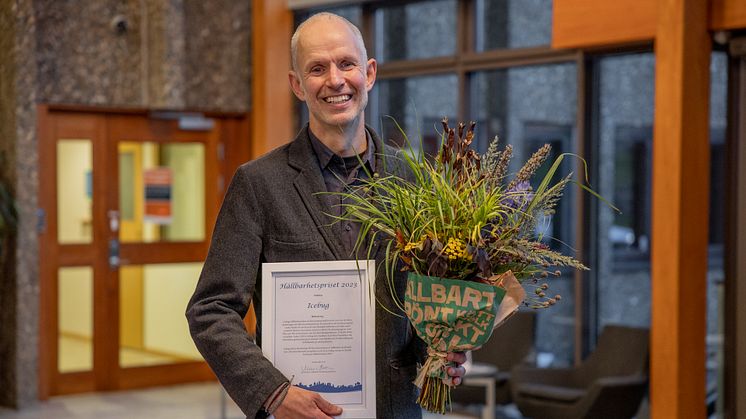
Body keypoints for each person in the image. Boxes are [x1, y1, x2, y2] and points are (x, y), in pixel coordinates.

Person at [186, 12, 466, 419]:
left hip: (395, 409)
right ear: (297, 85)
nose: (335, 80)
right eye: (317, 69)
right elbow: (211, 309)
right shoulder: (258, 184)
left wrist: (444, 353)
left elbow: (429, 301)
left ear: (369, 73)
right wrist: (272, 393)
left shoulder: (415, 180)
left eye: (346, 64)